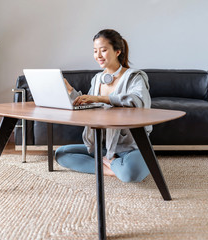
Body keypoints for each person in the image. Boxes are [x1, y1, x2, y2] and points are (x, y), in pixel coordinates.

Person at [55, 29, 152, 182]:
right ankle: (110, 168)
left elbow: (137, 101)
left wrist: (101, 98)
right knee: (61, 154)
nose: (98, 56)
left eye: (103, 50)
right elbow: (87, 104)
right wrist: (69, 90)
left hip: (129, 148)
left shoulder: (134, 77)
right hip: (102, 146)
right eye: (95, 51)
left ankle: (111, 163)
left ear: (118, 51)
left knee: (131, 174)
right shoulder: (97, 79)